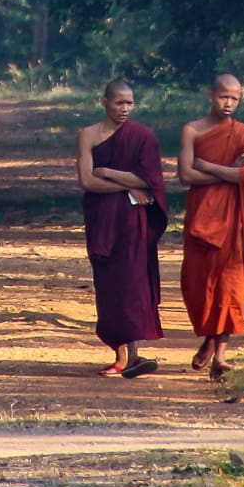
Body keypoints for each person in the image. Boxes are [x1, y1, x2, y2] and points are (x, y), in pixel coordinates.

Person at [177, 73, 244, 381]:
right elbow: (186, 175)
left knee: (231, 284)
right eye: (223, 97)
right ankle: (209, 336)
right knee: (199, 283)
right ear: (210, 95)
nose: (228, 103)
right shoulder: (192, 131)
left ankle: (220, 356)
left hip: (234, 218)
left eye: (234, 98)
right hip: (202, 214)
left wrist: (211, 167)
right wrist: (228, 172)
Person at [77, 79, 167, 378]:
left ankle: (132, 356)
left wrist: (108, 172)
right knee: (109, 284)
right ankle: (121, 354)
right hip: (102, 218)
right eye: (119, 103)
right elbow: (87, 181)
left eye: (130, 103)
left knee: (133, 283)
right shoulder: (88, 135)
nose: (125, 108)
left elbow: (149, 180)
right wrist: (125, 185)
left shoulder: (143, 136)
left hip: (132, 220)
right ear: (105, 102)